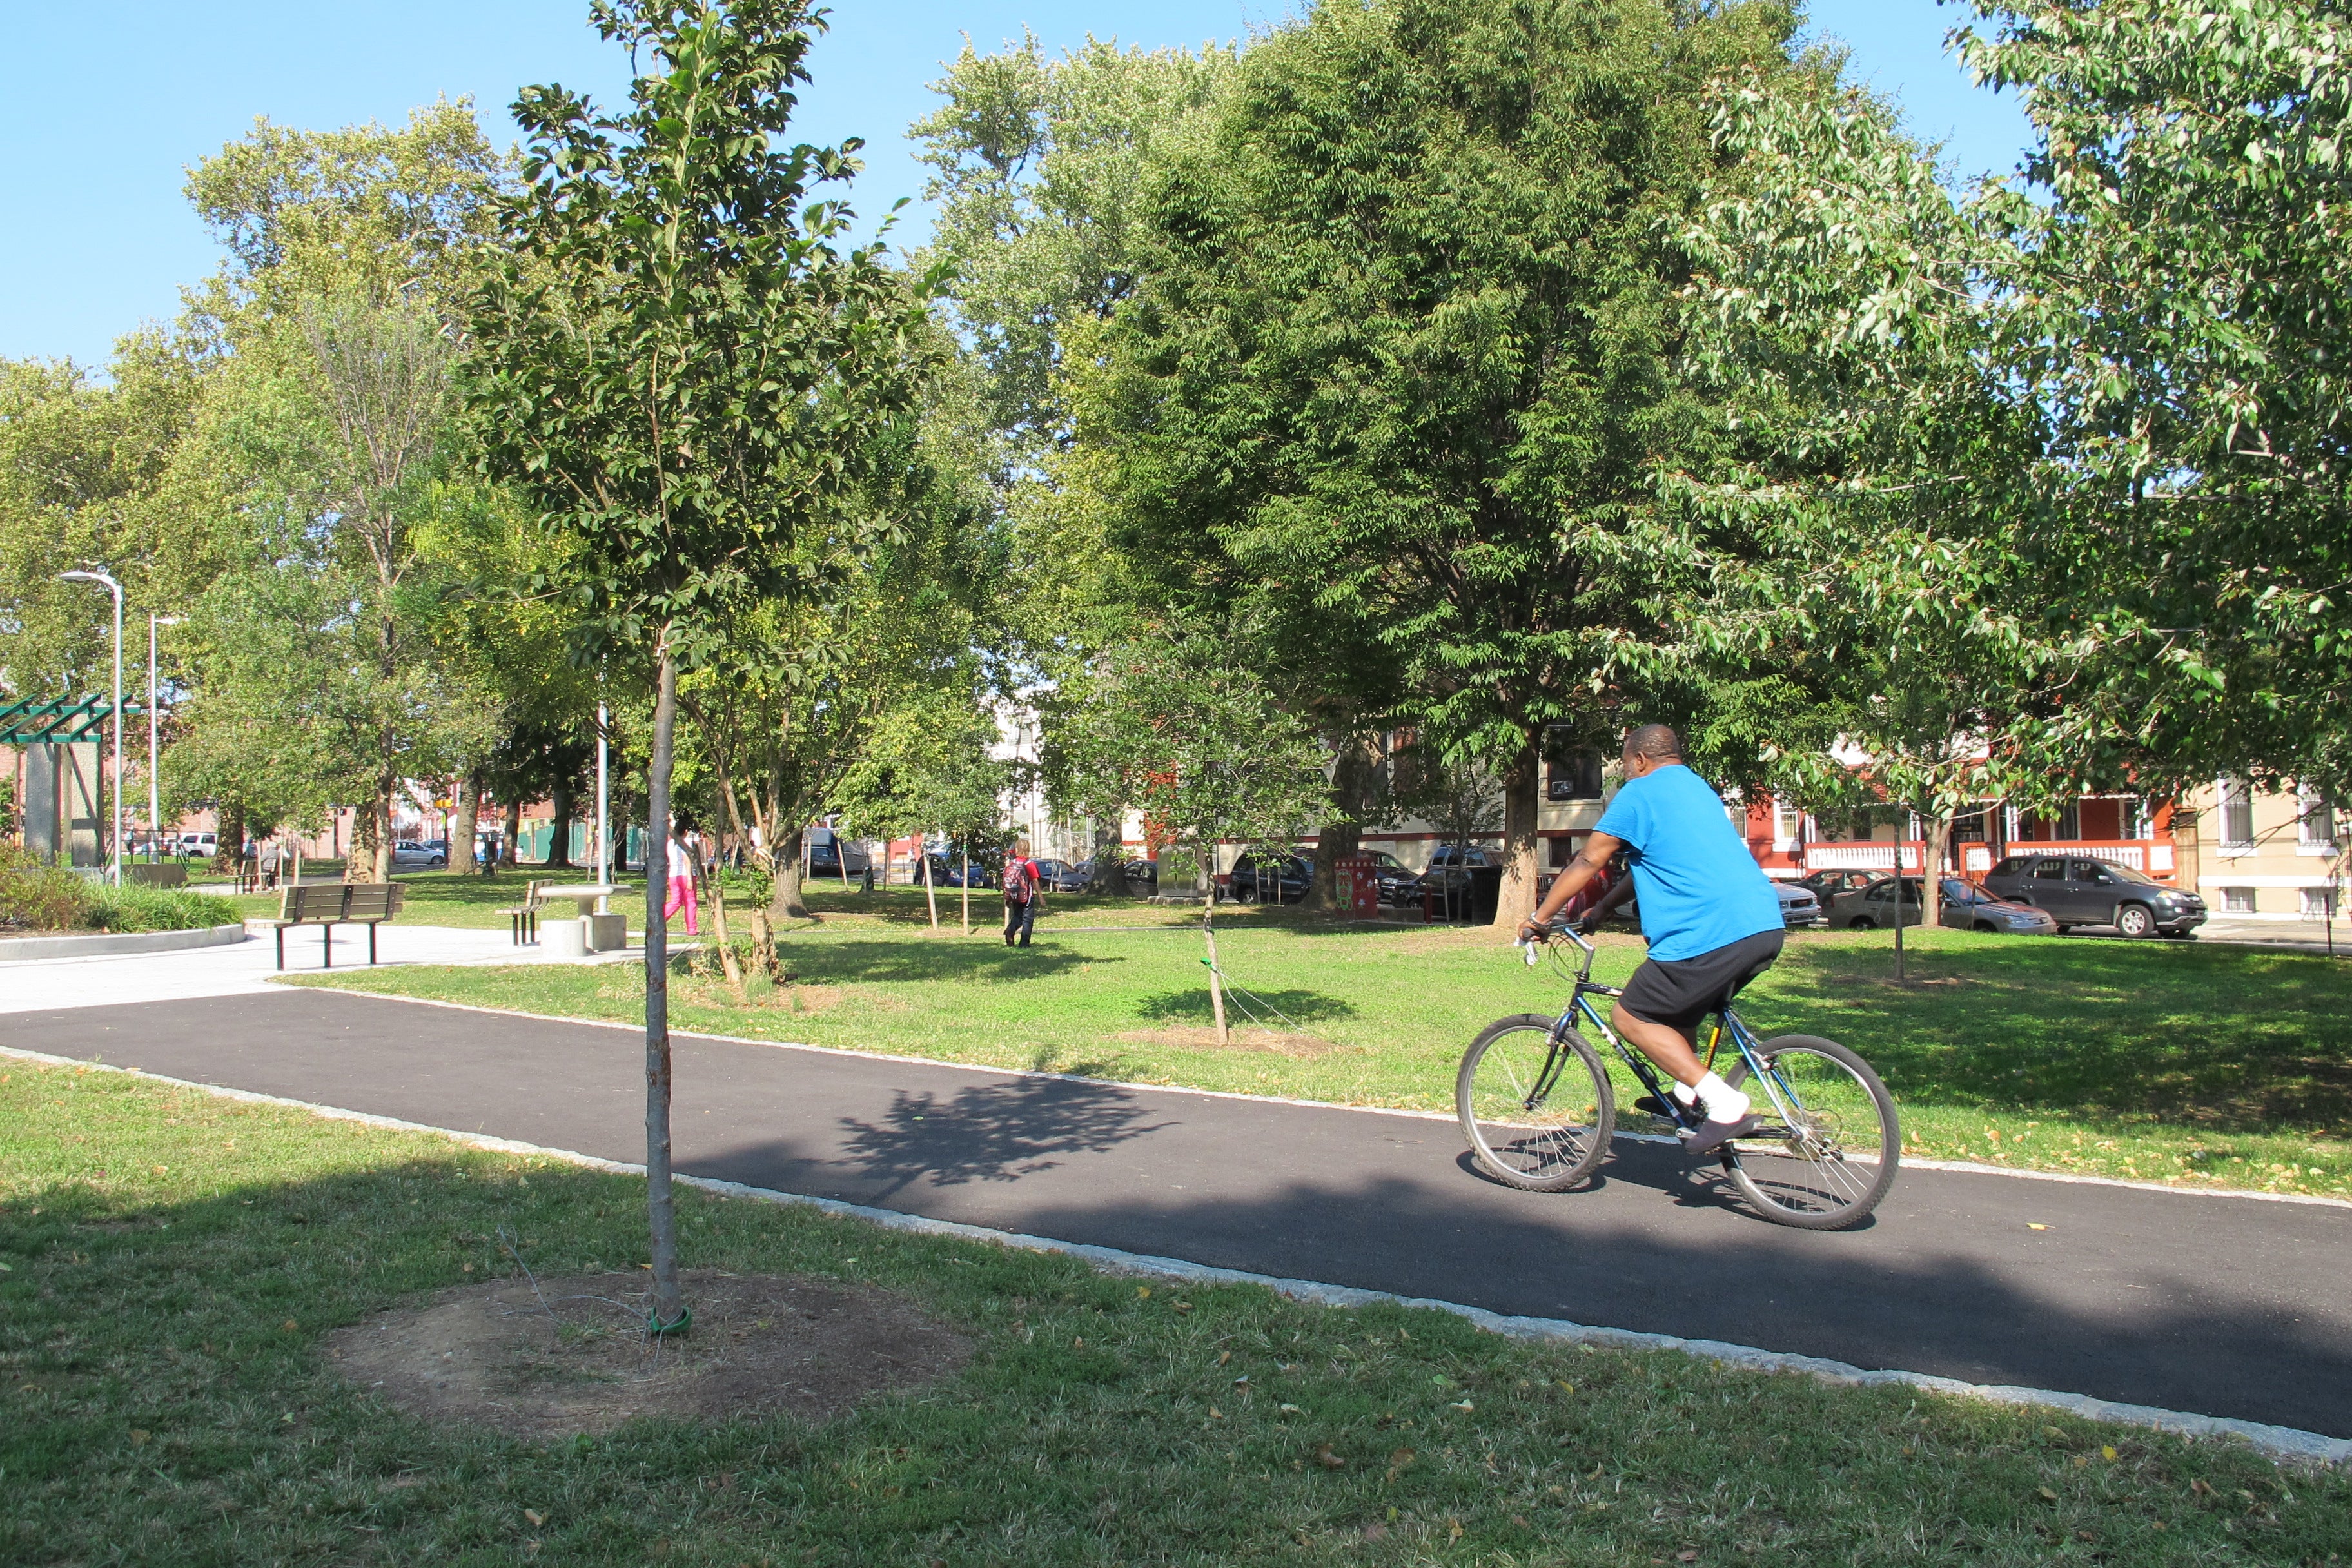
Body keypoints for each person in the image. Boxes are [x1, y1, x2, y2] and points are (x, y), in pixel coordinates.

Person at [1518, 724, 1786, 1154]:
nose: (1625, 773)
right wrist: (1603, 908)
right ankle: (1687, 1096)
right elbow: (1656, 860)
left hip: (1708, 933)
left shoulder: (1638, 794)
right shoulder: (1700, 790)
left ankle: (1724, 1102)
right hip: (1762, 926)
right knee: (1681, 1014)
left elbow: (1590, 857)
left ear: (1640, 760)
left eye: (1625, 765)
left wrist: (1539, 917)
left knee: (1630, 1017)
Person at [663, 822, 700, 936]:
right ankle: (692, 928)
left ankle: (660, 918)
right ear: (685, 832)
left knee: (676, 901)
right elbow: (687, 861)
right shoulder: (685, 842)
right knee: (690, 902)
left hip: (673, 875)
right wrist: (690, 878)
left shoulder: (670, 844)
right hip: (685, 874)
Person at [1002, 838, 1040, 947]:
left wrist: (1006, 897)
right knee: (1028, 919)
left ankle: (1010, 930)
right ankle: (1024, 943)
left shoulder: (1012, 863)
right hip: (1027, 896)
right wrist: (1041, 897)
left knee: (1017, 916)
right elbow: (1035, 881)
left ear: (1017, 849)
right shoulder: (1029, 863)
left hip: (1014, 895)